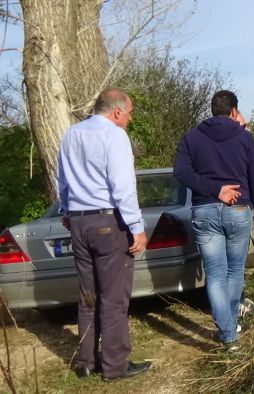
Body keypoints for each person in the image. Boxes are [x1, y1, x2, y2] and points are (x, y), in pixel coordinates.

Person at [57, 87, 152, 380]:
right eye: (130, 113)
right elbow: (123, 187)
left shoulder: (71, 134)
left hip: (79, 222)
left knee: (88, 295)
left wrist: (65, 210)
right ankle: (115, 366)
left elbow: (61, 176)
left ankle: (86, 361)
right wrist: (136, 227)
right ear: (117, 111)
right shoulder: (115, 136)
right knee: (113, 298)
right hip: (108, 223)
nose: (130, 119)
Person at [174, 90, 254, 351]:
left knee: (214, 273)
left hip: (204, 211)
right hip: (238, 211)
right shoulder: (245, 139)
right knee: (234, 271)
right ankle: (228, 323)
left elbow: (180, 171)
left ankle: (228, 335)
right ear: (234, 111)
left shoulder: (192, 137)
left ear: (212, 109)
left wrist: (213, 190)